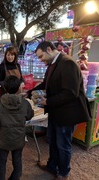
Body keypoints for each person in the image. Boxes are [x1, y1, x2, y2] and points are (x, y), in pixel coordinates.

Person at [27, 41, 91, 180]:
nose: (40, 59)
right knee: (53, 141)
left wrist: (48, 101)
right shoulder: (52, 64)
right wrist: (29, 92)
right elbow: (46, 84)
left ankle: (63, 173)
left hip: (68, 114)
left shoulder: (68, 63)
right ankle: (52, 166)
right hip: (56, 112)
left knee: (63, 145)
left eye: (41, 56)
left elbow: (70, 93)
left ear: (49, 49)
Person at [0, 75, 34, 180]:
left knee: (1, 162)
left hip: (3, 139)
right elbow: (29, 115)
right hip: (18, 138)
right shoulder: (24, 103)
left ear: (5, 88)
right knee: (17, 161)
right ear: (19, 88)